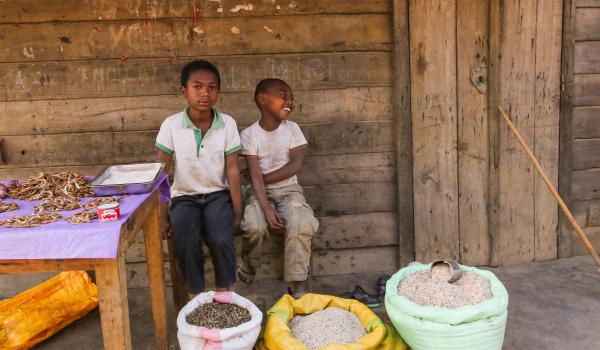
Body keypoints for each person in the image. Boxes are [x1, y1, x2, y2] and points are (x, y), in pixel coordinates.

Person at [155, 60, 242, 298]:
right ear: (184, 90)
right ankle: (197, 297)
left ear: (218, 91)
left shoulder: (228, 124)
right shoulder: (171, 125)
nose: (205, 93)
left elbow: (233, 170)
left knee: (221, 238)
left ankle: (224, 295)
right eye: (197, 86)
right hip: (184, 197)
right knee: (184, 240)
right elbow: (162, 174)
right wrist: (162, 217)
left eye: (212, 87)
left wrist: (237, 212)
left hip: (217, 196)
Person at [238, 78, 319, 298]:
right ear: (263, 100)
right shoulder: (249, 135)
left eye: (291, 97)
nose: (290, 101)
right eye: (284, 95)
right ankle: (249, 263)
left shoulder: (292, 129)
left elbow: (295, 165)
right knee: (254, 225)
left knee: (302, 223)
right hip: (259, 194)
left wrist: (261, 179)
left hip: (289, 191)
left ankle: (297, 279)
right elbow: (253, 171)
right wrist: (266, 208)